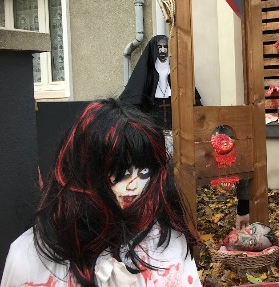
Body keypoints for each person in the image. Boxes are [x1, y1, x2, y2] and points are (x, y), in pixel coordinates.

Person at [0, 99, 202, 287]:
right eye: (121, 172)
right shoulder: (31, 254)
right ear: (87, 169)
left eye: (143, 172)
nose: (134, 185)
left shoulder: (165, 242)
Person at [120, 35, 202, 131]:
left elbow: (193, 99)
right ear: (154, 49)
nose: (163, 50)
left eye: (165, 47)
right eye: (159, 47)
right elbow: (133, 98)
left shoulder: (176, 72)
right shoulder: (148, 75)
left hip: (177, 123)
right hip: (153, 122)